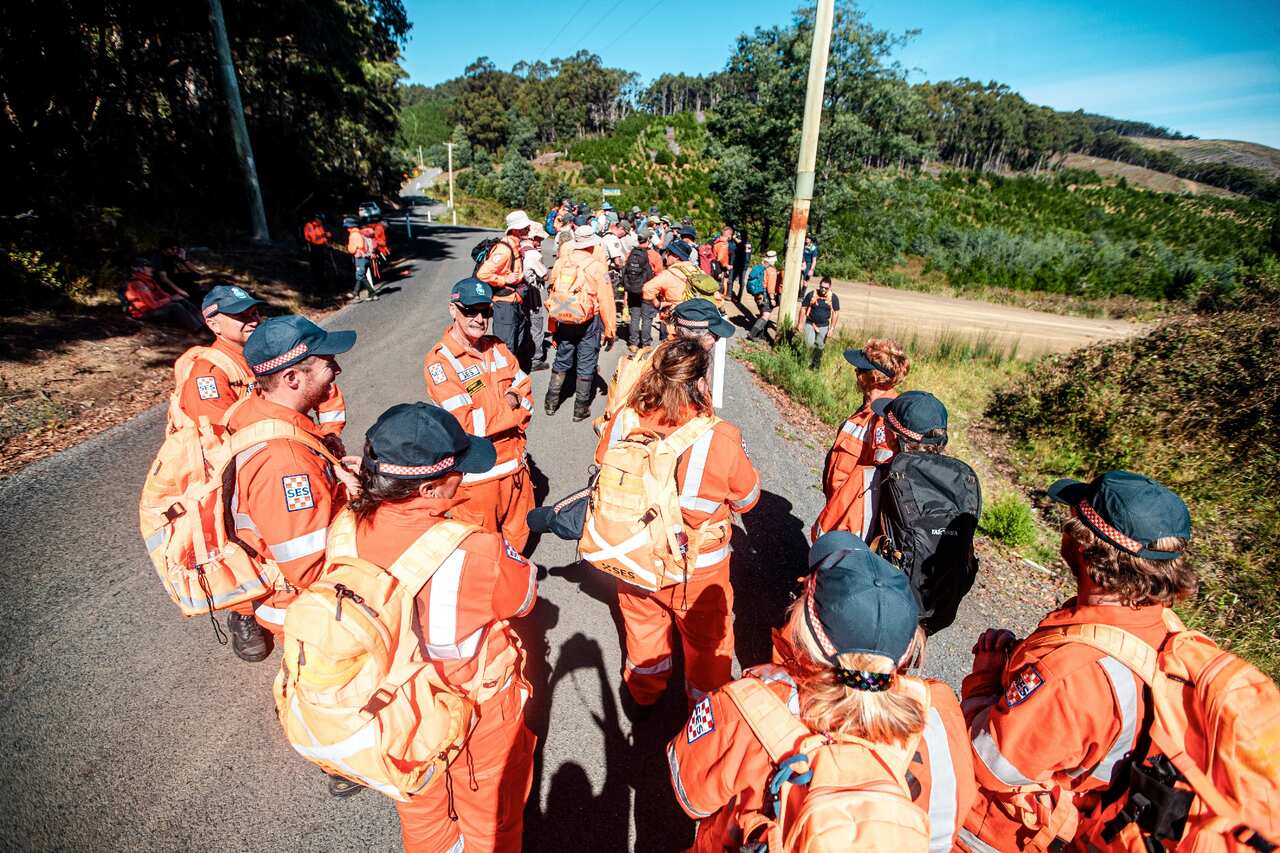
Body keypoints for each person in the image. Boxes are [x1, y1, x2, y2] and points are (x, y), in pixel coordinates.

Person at [667, 532, 977, 852]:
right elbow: (944, 830)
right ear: (910, 645)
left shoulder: (747, 705)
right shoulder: (940, 709)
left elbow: (691, 795)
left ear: (804, 623)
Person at [959, 472, 1205, 852]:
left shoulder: (1075, 672)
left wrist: (986, 679)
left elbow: (988, 763)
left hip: (995, 836)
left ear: (1085, 545)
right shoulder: (1162, 631)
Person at [349, 402, 538, 853]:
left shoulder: (345, 527)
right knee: (490, 814)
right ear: (431, 489)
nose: (465, 479)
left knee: (421, 810)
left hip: (394, 711)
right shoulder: (475, 549)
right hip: (469, 710)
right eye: (459, 471)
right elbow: (523, 599)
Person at [595, 338, 760, 715]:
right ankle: (704, 711)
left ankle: (644, 694)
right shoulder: (720, 436)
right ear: (701, 382)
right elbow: (748, 500)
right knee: (707, 644)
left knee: (643, 627)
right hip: (696, 566)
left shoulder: (627, 416)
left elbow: (604, 460)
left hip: (635, 552)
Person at [224, 315, 358, 656]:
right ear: (292, 377)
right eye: (328, 363)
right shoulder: (287, 463)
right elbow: (308, 568)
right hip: (305, 613)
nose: (337, 370)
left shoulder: (256, 412)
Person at [423, 278, 536, 551]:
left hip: (516, 470)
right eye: (470, 311)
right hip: (477, 483)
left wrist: (510, 403)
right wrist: (511, 402)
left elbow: (527, 394)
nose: (479, 318)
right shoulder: (440, 361)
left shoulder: (497, 348)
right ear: (453, 310)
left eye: (485, 311)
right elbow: (467, 424)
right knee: (482, 554)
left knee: (518, 545)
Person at [812, 340, 910, 542]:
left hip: (851, 521)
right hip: (839, 506)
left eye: (860, 369)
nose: (856, 372)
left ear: (875, 377)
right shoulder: (867, 408)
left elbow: (879, 484)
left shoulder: (885, 419)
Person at [594, 298, 735, 436]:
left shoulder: (659, 354)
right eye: (715, 335)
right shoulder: (682, 369)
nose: (715, 341)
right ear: (703, 336)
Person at [545, 224, 616, 422]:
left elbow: (554, 295)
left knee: (562, 357)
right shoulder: (598, 267)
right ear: (592, 245)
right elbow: (606, 301)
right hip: (588, 321)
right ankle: (580, 409)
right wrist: (610, 331)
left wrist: (552, 329)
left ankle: (550, 402)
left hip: (564, 316)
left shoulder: (561, 263)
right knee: (586, 362)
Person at [477, 210, 533, 371]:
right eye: (525, 227)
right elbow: (483, 274)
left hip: (514, 302)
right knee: (505, 345)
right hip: (504, 304)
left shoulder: (514, 246)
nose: (528, 228)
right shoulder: (504, 250)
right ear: (515, 230)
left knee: (516, 342)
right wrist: (504, 280)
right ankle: (503, 382)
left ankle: (513, 376)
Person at [123, 257, 205, 332]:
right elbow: (153, 305)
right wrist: (171, 299)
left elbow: (162, 293)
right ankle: (197, 328)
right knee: (176, 307)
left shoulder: (149, 280)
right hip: (143, 313)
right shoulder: (138, 284)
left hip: (153, 307)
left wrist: (172, 297)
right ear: (140, 269)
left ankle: (204, 322)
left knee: (182, 300)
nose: (152, 269)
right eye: (148, 266)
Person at [522, 223, 551, 371]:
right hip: (532, 292)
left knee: (524, 325)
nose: (540, 242)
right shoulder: (533, 254)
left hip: (519, 294)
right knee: (537, 324)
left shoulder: (517, 249)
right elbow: (544, 276)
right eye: (538, 238)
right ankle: (535, 358)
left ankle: (523, 355)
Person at [621, 228, 656, 352]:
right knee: (647, 318)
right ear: (648, 240)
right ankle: (646, 344)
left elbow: (625, 270)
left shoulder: (631, 253)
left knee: (635, 317)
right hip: (647, 290)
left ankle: (633, 343)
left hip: (632, 290)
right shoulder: (652, 255)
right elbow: (658, 272)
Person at [798, 276, 842, 367]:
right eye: (822, 287)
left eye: (826, 288)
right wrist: (800, 323)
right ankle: (804, 364)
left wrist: (832, 328)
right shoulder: (811, 294)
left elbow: (836, 313)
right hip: (810, 323)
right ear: (819, 285)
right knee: (808, 344)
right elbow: (803, 309)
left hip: (824, 326)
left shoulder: (833, 297)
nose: (823, 289)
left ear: (829, 287)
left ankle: (815, 366)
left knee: (819, 346)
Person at [746, 251, 779, 341]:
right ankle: (752, 334)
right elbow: (771, 287)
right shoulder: (771, 270)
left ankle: (761, 335)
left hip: (757, 294)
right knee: (765, 316)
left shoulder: (761, 266)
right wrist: (772, 298)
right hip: (765, 295)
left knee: (761, 313)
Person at [344, 216, 379, 303]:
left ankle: (363, 293)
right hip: (367, 257)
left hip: (360, 258)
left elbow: (353, 248)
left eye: (347, 227)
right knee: (361, 276)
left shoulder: (354, 235)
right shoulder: (360, 233)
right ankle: (361, 294)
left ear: (350, 227)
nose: (347, 229)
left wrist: (350, 249)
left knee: (360, 276)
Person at [302, 214, 331, 291]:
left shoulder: (320, 226)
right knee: (315, 267)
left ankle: (323, 284)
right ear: (316, 219)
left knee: (322, 266)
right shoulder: (309, 225)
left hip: (321, 248)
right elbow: (313, 238)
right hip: (313, 248)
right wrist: (324, 235)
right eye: (320, 220)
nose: (321, 222)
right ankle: (316, 285)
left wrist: (327, 244)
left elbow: (323, 237)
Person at [712, 227, 732, 297]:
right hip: (720, 269)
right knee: (719, 292)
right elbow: (720, 258)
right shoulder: (724, 244)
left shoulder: (717, 242)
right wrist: (726, 265)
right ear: (729, 235)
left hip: (715, 268)